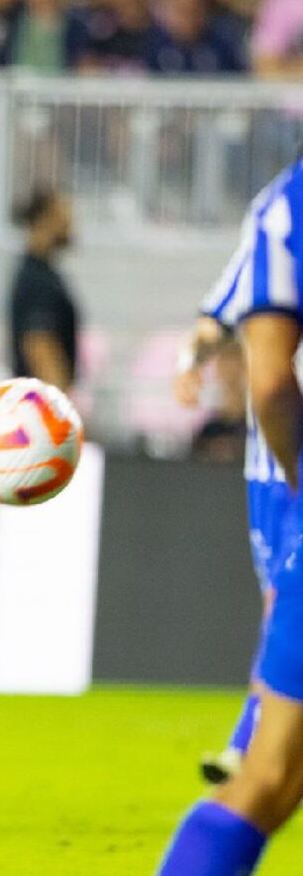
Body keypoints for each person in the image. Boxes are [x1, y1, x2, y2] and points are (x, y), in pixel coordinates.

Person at [110, 157, 303, 876]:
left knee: (268, 777)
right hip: (274, 480)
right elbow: (217, 316)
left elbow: (268, 377)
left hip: (287, 476)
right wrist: (193, 354)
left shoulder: (285, 207)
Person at [174, 316, 272, 787]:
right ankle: (248, 743)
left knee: (283, 606)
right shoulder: (275, 248)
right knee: (281, 605)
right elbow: (217, 316)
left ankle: (245, 743)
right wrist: (190, 361)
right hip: (273, 468)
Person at [7, 186, 79, 392]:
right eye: (63, 212)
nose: (70, 221)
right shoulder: (36, 280)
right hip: (40, 408)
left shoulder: (44, 274)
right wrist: (60, 411)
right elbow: (40, 347)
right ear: (45, 218)